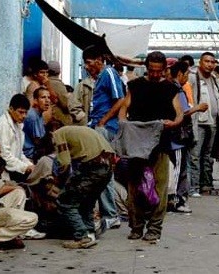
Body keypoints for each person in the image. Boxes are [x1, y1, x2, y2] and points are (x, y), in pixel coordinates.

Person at [118, 50, 183, 241]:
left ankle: (154, 228)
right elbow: (124, 107)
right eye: (152, 70)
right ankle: (136, 226)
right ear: (146, 68)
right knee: (135, 187)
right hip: (136, 144)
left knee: (160, 187)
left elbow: (179, 112)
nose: (155, 74)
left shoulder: (170, 88)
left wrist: (175, 122)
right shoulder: (135, 86)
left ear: (164, 70)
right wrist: (123, 125)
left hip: (160, 144)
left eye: (159, 71)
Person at [82, 45, 125, 229]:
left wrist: (103, 121)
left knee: (102, 172)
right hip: (99, 126)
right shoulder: (100, 77)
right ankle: (107, 212)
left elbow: (120, 99)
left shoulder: (108, 74)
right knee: (100, 172)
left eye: (89, 63)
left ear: (99, 60)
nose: (87, 67)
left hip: (105, 128)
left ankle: (110, 213)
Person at [53, 126, 115, 249]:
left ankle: (81, 236)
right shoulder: (79, 130)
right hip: (108, 167)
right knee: (87, 202)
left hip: (92, 167)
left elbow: (65, 163)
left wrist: (61, 185)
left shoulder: (58, 133)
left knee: (66, 202)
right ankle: (90, 232)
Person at [167, 61, 208, 212]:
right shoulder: (175, 90)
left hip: (179, 137)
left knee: (181, 168)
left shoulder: (176, 88)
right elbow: (182, 113)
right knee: (178, 170)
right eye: (185, 75)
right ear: (180, 74)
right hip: (177, 138)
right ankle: (176, 200)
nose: (186, 78)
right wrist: (197, 108)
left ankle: (177, 199)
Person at [188, 52, 219, 197]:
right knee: (195, 155)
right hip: (198, 122)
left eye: (212, 62)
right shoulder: (193, 78)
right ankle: (194, 187)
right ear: (200, 63)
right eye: (207, 61)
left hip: (212, 122)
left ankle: (206, 185)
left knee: (208, 156)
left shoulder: (214, 79)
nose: (209, 64)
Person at [0, 94, 35, 181]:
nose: (24, 116)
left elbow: (19, 153)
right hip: (1, 173)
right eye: (21, 112)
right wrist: (24, 167)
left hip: (13, 169)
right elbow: (4, 155)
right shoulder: (3, 125)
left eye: (26, 112)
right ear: (11, 109)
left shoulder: (18, 125)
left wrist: (29, 165)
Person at [23, 87, 51, 162]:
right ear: (35, 101)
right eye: (43, 97)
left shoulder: (39, 114)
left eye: (48, 97)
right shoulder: (33, 116)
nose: (47, 100)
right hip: (29, 156)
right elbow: (38, 141)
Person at [47, 61, 73, 126]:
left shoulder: (45, 82)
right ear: (59, 72)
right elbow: (66, 104)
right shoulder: (58, 84)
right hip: (59, 119)